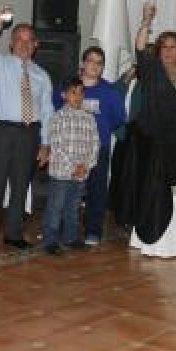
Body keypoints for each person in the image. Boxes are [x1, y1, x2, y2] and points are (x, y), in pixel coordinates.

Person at [110, 0, 176, 243]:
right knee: (145, 185)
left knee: (165, 185)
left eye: (173, 47)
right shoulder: (151, 68)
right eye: (164, 46)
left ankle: (160, 229)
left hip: (173, 141)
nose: (168, 51)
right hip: (148, 138)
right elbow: (139, 46)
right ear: (158, 50)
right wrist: (146, 20)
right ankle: (142, 229)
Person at [0, 9, 53, 253]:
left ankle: (13, 233)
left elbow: (47, 111)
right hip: (0, 131)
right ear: (11, 43)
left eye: (29, 40)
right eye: (19, 39)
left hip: (29, 134)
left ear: (36, 45)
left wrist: (45, 143)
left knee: (20, 187)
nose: (24, 44)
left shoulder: (42, 76)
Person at [53, 46, 125, 246]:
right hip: (69, 148)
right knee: (66, 189)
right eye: (91, 61)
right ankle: (62, 229)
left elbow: (119, 118)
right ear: (82, 63)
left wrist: (102, 129)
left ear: (102, 67)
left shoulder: (110, 92)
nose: (94, 65)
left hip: (98, 148)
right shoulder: (67, 87)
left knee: (97, 190)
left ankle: (93, 230)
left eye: (99, 63)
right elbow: (56, 107)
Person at [41, 77, 99, 254]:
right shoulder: (57, 117)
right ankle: (50, 240)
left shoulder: (89, 118)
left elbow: (95, 144)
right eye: (73, 92)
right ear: (63, 95)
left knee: (73, 207)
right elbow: (57, 146)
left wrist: (86, 165)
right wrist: (74, 167)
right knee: (55, 207)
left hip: (81, 173)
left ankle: (71, 237)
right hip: (61, 173)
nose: (77, 96)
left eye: (81, 92)